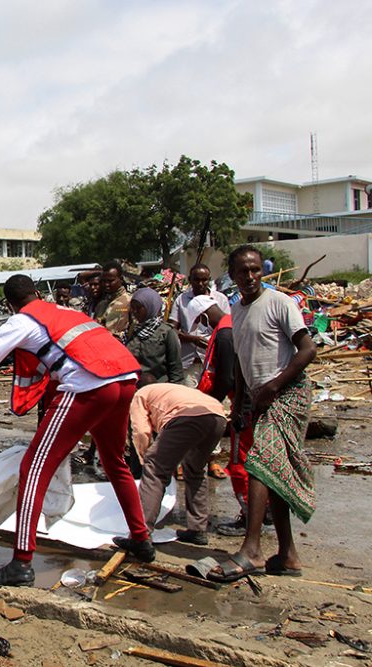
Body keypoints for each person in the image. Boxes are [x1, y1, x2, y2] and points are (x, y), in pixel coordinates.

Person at [0, 274, 151, 587]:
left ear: (9, 303)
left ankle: (20, 564)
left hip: (88, 385)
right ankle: (141, 538)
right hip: (125, 379)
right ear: (36, 293)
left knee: (32, 468)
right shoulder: (68, 311)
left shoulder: (21, 322)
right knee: (115, 462)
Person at [207, 245, 316, 583]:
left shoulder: (280, 303)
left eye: (256, 270)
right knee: (275, 472)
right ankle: (288, 554)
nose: (251, 277)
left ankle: (252, 549)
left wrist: (273, 386)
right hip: (260, 399)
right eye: (244, 271)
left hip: (288, 394)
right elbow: (241, 361)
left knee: (261, 464)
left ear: (262, 272)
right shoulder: (236, 311)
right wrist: (239, 403)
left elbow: (307, 349)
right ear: (233, 276)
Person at [130, 383, 228, 545]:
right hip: (217, 417)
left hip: (187, 417)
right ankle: (197, 529)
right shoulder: (167, 389)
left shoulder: (139, 395)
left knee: (154, 469)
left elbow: (141, 431)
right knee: (195, 470)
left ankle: (141, 534)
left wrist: (144, 457)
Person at [198, 302, 255, 535]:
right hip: (254, 402)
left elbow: (225, 378)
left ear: (203, 316)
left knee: (239, 464)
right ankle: (263, 512)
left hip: (245, 406)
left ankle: (250, 517)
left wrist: (210, 405)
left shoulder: (224, 334)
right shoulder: (235, 324)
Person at [168, 264, 230, 386]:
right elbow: (171, 329)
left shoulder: (220, 299)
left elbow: (226, 328)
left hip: (213, 363)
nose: (201, 284)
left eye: (204, 280)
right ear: (190, 279)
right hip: (189, 364)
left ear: (209, 279)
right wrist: (191, 339)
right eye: (197, 280)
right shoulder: (181, 300)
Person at [124, 287, 183, 385]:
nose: (134, 311)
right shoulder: (132, 329)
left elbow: (176, 371)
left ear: (150, 307)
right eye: (132, 308)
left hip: (157, 388)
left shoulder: (166, 332)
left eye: (138, 308)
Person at [94, 261, 129, 336]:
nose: (106, 284)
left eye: (110, 281)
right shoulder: (101, 305)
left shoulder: (129, 302)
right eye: (104, 281)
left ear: (121, 279)